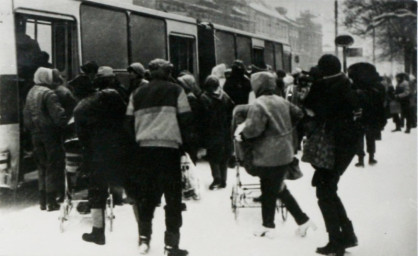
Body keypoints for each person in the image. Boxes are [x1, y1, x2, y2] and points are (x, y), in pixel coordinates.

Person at [235, 71, 315, 238]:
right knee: (275, 188)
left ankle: (272, 225)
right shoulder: (282, 101)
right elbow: (299, 114)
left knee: (272, 189)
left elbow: (254, 128)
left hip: (268, 154)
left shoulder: (259, 104)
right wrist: (286, 129)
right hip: (284, 151)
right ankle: (300, 221)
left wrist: (241, 135)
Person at [126, 59, 192, 256]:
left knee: (146, 196)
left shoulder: (137, 93)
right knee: (172, 200)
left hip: (144, 151)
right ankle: (171, 246)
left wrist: (136, 146)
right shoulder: (176, 91)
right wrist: (186, 148)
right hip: (169, 151)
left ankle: (144, 240)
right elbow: (186, 120)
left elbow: (128, 123)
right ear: (167, 72)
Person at [303, 55, 361, 256]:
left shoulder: (326, 87)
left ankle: (337, 242)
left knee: (324, 192)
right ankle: (346, 235)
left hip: (333, 146)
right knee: (328, 189)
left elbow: (311, 107)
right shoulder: (345, 84)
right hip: (345, 146)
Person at [74, 87, 132, 245]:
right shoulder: (121, 113)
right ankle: (143, 234)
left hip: (97, 157)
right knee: (131, 189)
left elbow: (83, 139)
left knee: (96, 192)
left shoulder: (88, 112)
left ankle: (98, 232)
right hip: (120, 154)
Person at [23, 67, 68, 211]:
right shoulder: (49, 93)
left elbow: (26, 116)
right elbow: (58, 116)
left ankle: (42, 201)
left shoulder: (31, 92)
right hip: (50, 135)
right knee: (53, 166)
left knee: (41, 167)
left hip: (35, 135)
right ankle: (51, 201)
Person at [348, 63, 386, 167]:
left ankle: (361, 159)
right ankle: (371, 157)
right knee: (370, 138)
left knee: (360, 138)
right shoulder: (378, 87)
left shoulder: (355, 87)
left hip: (360, 116)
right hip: (372, 117)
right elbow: (381, 104)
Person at [200, 75, 234, 190]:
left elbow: (203, 116)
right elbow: (231, 109)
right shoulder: (225, 96)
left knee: (213, 157)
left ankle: (217, 178)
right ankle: (223, 180)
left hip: (212, 131)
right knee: (224, 156)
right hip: (225, 131)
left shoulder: (204, 97)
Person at [177, 73, 203, 163]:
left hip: (189, 133)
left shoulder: (190, 98)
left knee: (189, 159)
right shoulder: (194, 96)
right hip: (191, 133)